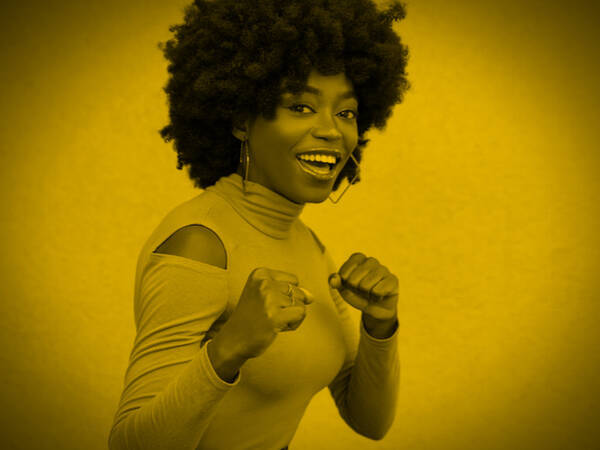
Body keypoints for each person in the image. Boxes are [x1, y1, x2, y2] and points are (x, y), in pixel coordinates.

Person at [108, 0, 409, 448]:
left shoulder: (308, 244)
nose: (332, 131)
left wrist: (380, 326)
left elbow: (370, 421)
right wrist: (229, 348)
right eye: (301, 107)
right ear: (241, 120)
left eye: (345, 112)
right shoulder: (201, 245)